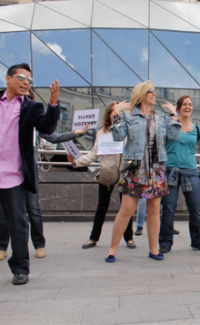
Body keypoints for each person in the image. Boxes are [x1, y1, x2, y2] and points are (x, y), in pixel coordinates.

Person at [105, 81, 181, 262]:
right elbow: (117, 136)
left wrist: (173, 115)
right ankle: (112, 249)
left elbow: (174, 137)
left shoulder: (161, 117)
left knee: (154, 209)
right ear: (141, 94)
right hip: (135, 169)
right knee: (127, 209)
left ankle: (153, 249)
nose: (154, 94)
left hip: (156, 169)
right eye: (151, 91)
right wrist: (116, 113)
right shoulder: (128, 116)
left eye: (154, 91)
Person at [0, 63, 60, 285]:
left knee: (18, 222)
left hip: (13, 174)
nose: (26, 83)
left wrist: (53, 105)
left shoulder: (32, 107)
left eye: (29, 80)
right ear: (8, 79)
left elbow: (47, 128)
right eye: (22, 78)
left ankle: (20, 268)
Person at [0, 120, 88, 261]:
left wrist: (75, 133)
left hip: (29, 168)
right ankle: (2, 246)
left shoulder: (33, 120)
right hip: (8, 169)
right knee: (5, 209)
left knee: (33, 208)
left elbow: (53, 137)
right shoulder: (7, 118)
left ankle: (39, 245)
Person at [68, 102, 136, 250]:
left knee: (126, 207)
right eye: (113, 111)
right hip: (107, 172)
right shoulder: (102, 132)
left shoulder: (127, 129)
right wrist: (75, 163)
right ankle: (93, 238)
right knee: (102, 206)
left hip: (124, 172)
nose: (116, 114)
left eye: (119, 111)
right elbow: (93, 154)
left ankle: (129, 237)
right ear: (109, 114)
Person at [158, 95, 200, 253]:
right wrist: (173, 116)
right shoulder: (170, 125)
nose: (188, 107)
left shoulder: (197, 129)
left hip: (191, 171)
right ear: (178, 107)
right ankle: (165, 242)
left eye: (190, 104)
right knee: (168, 208)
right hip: (170, 170)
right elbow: (170, 136)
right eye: (184, 104)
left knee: (195, 208)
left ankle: (197, 240)